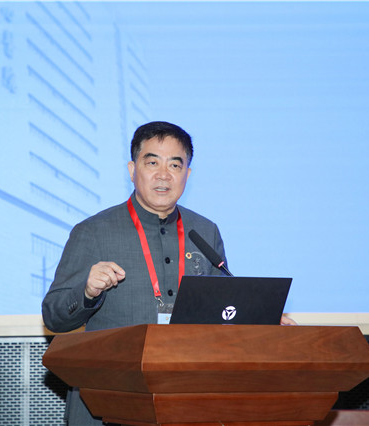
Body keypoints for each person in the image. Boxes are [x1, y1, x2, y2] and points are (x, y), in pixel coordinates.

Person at [42, 121, 293, 425]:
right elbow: (54, 317)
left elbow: (225, 308)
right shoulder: (93, 232)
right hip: (109, 398)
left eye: (175, 164)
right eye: (152, 163)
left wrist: (263, 320)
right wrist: (87, 292)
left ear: (187, 174)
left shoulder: (204, 231)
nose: (164, 174)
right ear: (132, 169)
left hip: (187, 398)